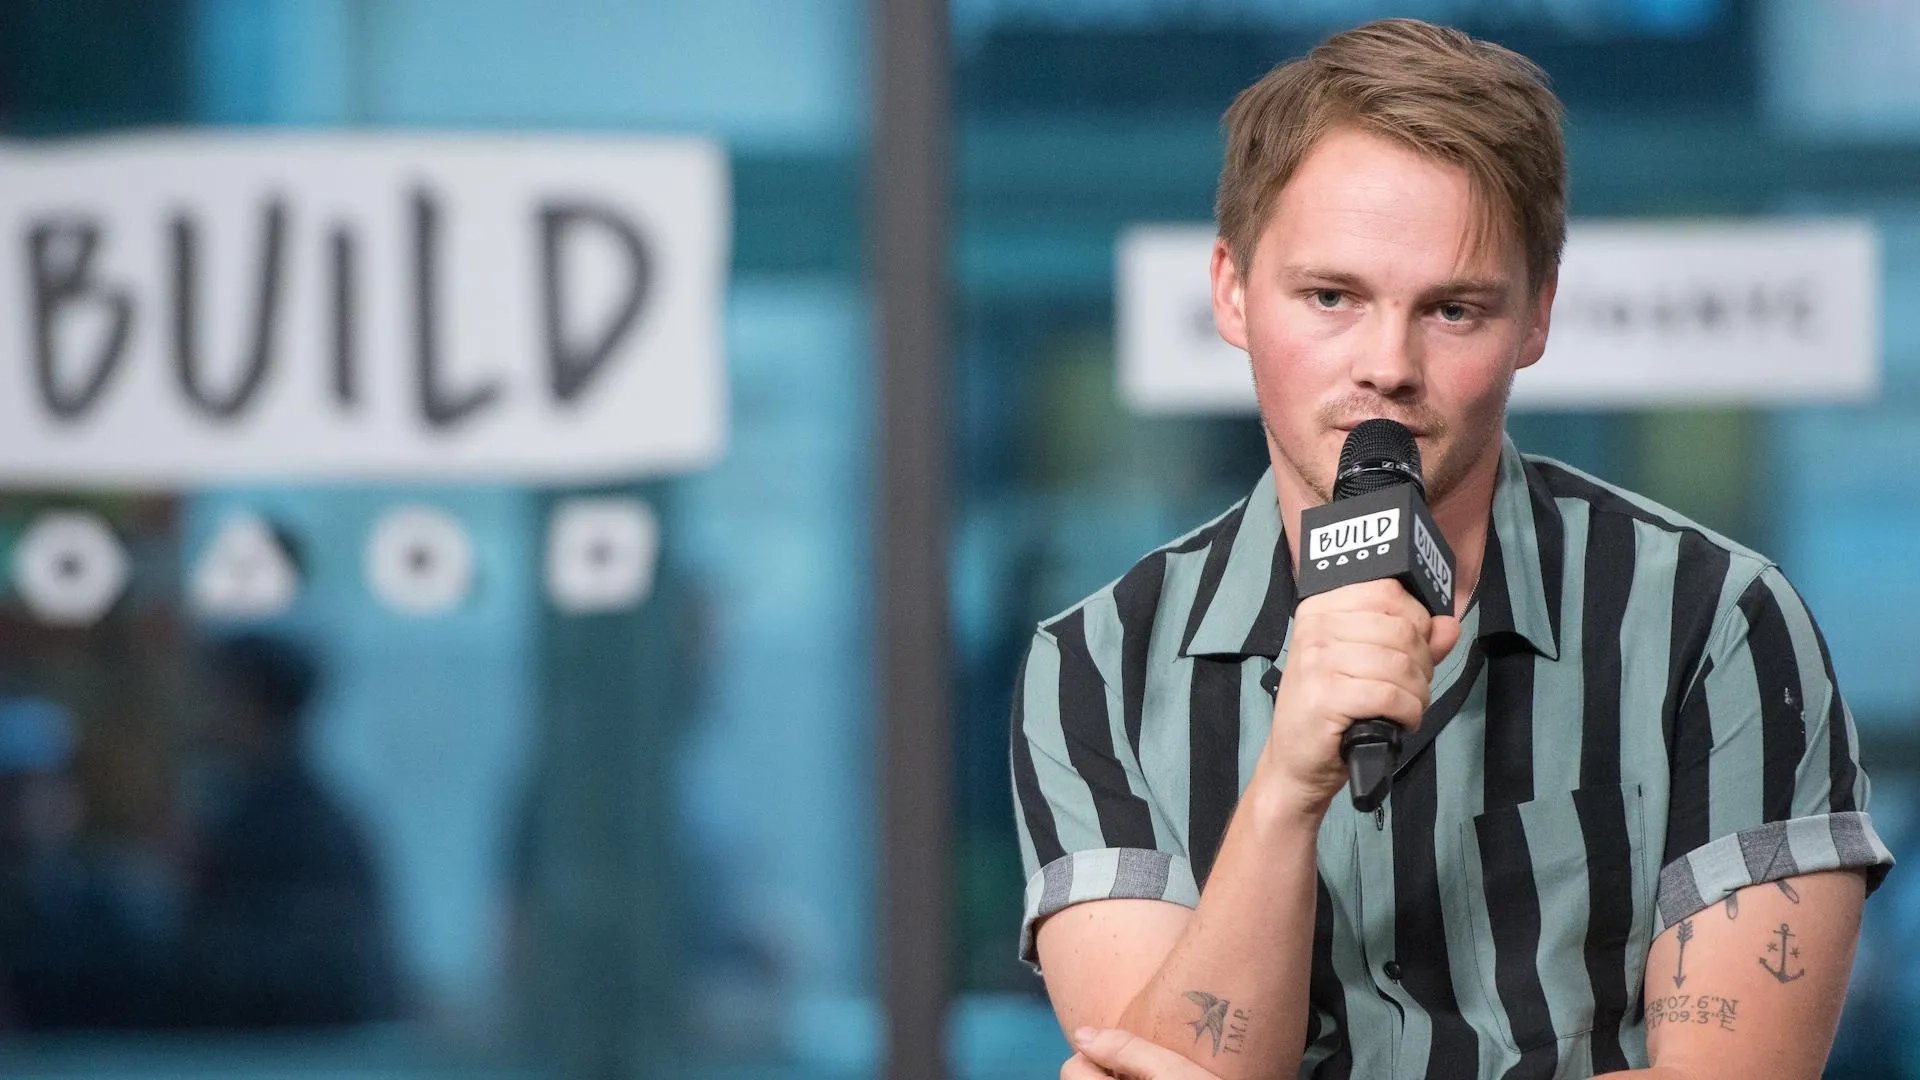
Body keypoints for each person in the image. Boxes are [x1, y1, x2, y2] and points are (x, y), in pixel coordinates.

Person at [1010, 18, 1892, 1080]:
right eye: (1331, 296)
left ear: (1536, 318)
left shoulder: (1714, 623)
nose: (1388, 364)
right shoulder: (1097, 664)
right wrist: (1288, 785)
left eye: (1454, 309)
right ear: (1232, 291)